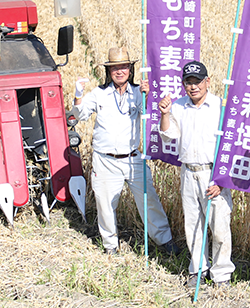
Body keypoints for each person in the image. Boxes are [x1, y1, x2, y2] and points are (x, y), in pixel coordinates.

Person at [73, 47, 179, 256]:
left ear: (130, 69)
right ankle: (110, 245)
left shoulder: (139, 93)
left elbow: (150, 113)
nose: (119, 71)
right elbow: (80, 115)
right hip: (105, 160)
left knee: (149, 200)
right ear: (108, 71)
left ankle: (164, 240)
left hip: (133, 158)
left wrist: (148, 95)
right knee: (105, 204)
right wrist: (78, 94)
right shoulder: (99, 94)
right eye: (115, 68)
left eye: (123, 67)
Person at [159, 60, 235, 288]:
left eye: (197, 82)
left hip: (213, 174)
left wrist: (221, 180)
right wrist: (164, 113)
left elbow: (230, 146)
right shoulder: (179, 106)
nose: (193, 87)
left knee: (219, 226)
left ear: (207, 82)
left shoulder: (220, 107)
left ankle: (221, 274)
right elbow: (168, 135)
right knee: (193, 225)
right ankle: (197, 270)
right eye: (188, 82)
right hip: (188, 172)